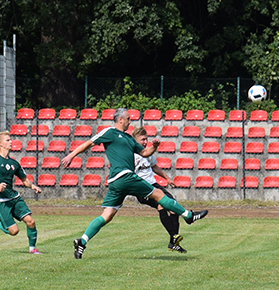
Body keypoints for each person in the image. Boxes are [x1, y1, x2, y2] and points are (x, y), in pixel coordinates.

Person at [61, 108, 207, 258]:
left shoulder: (129, 139)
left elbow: (144, 153)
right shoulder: (109, 132)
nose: (130, 121)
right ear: (120, 120)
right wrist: (71, 155)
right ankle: (188, 215)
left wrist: (154, 147)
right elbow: (88, 143)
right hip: (123, 175)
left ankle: (82, 242)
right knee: (158, 194)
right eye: (128, 118)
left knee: (108, 215)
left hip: (117, 182)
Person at [0, 131, 43, 254]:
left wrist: (33, 186)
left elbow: (24, 179)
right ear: (0, 144)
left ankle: (32, 249)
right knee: (14, 231)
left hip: (14, 197)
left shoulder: (14, 163)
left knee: (30, 221)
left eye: (11, 139)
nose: (11, 142)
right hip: (0, 200)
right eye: (8, 140)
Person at [131, 126, 186, 253]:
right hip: (142, 188)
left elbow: (154, 167)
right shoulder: (132, 155)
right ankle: (173, 238)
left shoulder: (148, 152)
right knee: (161, 205)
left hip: (154, 185)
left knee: (174, 206)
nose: (145, 142)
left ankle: (174, 241)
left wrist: (167, 178)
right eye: (142, 139)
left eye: (146, 139)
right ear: (135, 140)